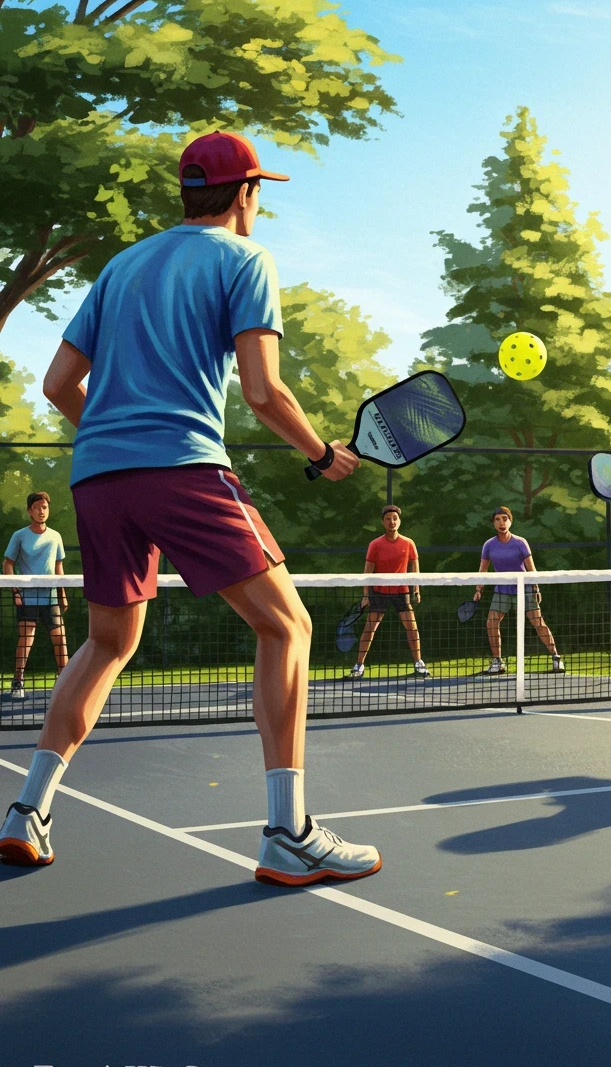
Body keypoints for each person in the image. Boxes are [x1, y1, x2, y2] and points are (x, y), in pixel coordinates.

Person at [0, 130, 381, 887]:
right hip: (182, 468)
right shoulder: (246, 260)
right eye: (259, 191)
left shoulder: (121, 266)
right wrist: (321, 453)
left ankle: (27, 814)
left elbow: (57, 384)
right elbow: (265, 390)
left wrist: (115, 435)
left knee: (107, 644)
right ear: (245, 194)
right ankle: (289, 831)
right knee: (288, 625)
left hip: (97, 478)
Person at [473, 506, 564, 675]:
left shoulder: (520, 543)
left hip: (525, 589)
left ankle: (556, 657)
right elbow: (483, 570)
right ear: (493, 523)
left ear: (510, 521)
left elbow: (531, 569)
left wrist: (536, 588)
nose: (502, 523)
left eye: (505, 519)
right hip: (502, 590)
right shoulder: (489, 545)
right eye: (498, 519)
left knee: (538, 622)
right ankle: (497, 661)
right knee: (491, 622)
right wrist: (479, 589)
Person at [347, 505, 430, 679]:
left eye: (394, 518)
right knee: (370, 628)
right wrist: (365, 595)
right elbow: (367, 572)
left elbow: (415, 570)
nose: (392, 521)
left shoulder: (408, 543)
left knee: (412, 627)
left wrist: (416, 589)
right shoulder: (375, 544)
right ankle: (359, 666)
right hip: (379, 592)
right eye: (388, 518)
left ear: (399, 521)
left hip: (402, 592)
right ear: (382, 522)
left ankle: (419, 663)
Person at [3, 491, 68, 698]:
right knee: (26, 639)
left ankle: (64, 681)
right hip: (27, 598)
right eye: (37, 507)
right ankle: (18, 682)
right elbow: (8, 564)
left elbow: (59, 567)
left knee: (60, 639)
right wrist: (16, 591)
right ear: (29, 510)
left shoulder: (55, 536)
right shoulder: (19, 536)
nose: (42, 511)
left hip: (50, 598)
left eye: (45, 507)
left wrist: (62, 594)